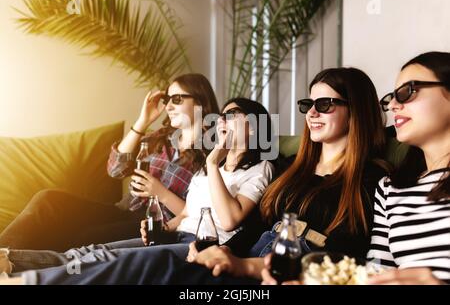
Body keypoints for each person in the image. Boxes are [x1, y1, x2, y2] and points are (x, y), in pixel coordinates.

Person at [4, 67, 390, 285]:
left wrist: (203, 177)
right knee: (95, 248)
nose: (311, 113)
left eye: (325, 104)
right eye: (308, 104)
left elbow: (235, 222)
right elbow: (118, 171)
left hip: (253, 258)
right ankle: (12, 263)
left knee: (132, 260)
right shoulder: (297, 171)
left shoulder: (362, 179)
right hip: (222, 243)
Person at [0, 98, 274, 275]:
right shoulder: (203, 165)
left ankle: (24, 279)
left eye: (232, 114)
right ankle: (9, 260)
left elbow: (228, 221)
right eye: (222, 116)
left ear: (254, 127)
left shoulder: (260, 169)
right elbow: (189, 213)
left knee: (103, 260)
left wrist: (214, 162)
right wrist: (163, 228)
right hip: (176, 234)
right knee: (92, 251)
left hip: (200, 246)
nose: (222, 120)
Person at [0, 73, 220, 252]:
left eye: (177, 99)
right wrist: (143, 121)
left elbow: (200, 211)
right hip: (123, 209)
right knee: (48, 199)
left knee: (80, 236)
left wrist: (160, 192)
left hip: (152, 225)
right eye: (168, 99)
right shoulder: (160, 138)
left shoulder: (212, 153)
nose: (169, 106)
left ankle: (15, 266)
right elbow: (115, 169)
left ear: (199, 100)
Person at [366, 51, 450, 285]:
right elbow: (377, 271)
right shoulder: (389, 188)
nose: (392, 105)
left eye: (407, 92)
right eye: (391, 97)